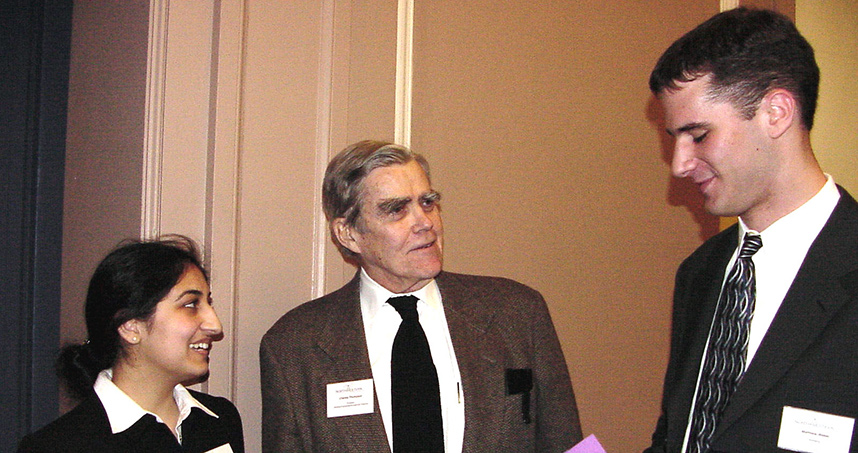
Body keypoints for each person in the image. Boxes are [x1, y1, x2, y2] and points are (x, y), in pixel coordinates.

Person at [260, 140, 582, 452]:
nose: (425, 222)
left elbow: (572, 445)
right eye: (397, 210)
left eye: (427, 202)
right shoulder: (294, 347)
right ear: (349, 234)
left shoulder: (518, 312)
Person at [646, 7, 858, 453]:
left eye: (698, 135)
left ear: (776, 112)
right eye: (674, 139)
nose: (680, 164)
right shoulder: (700, 273)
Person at [18, 236, 244, 452]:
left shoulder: (219, 419)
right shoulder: (58, 446)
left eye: (208, 302)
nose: (215, 325)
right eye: (191, 304)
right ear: (130, 326)